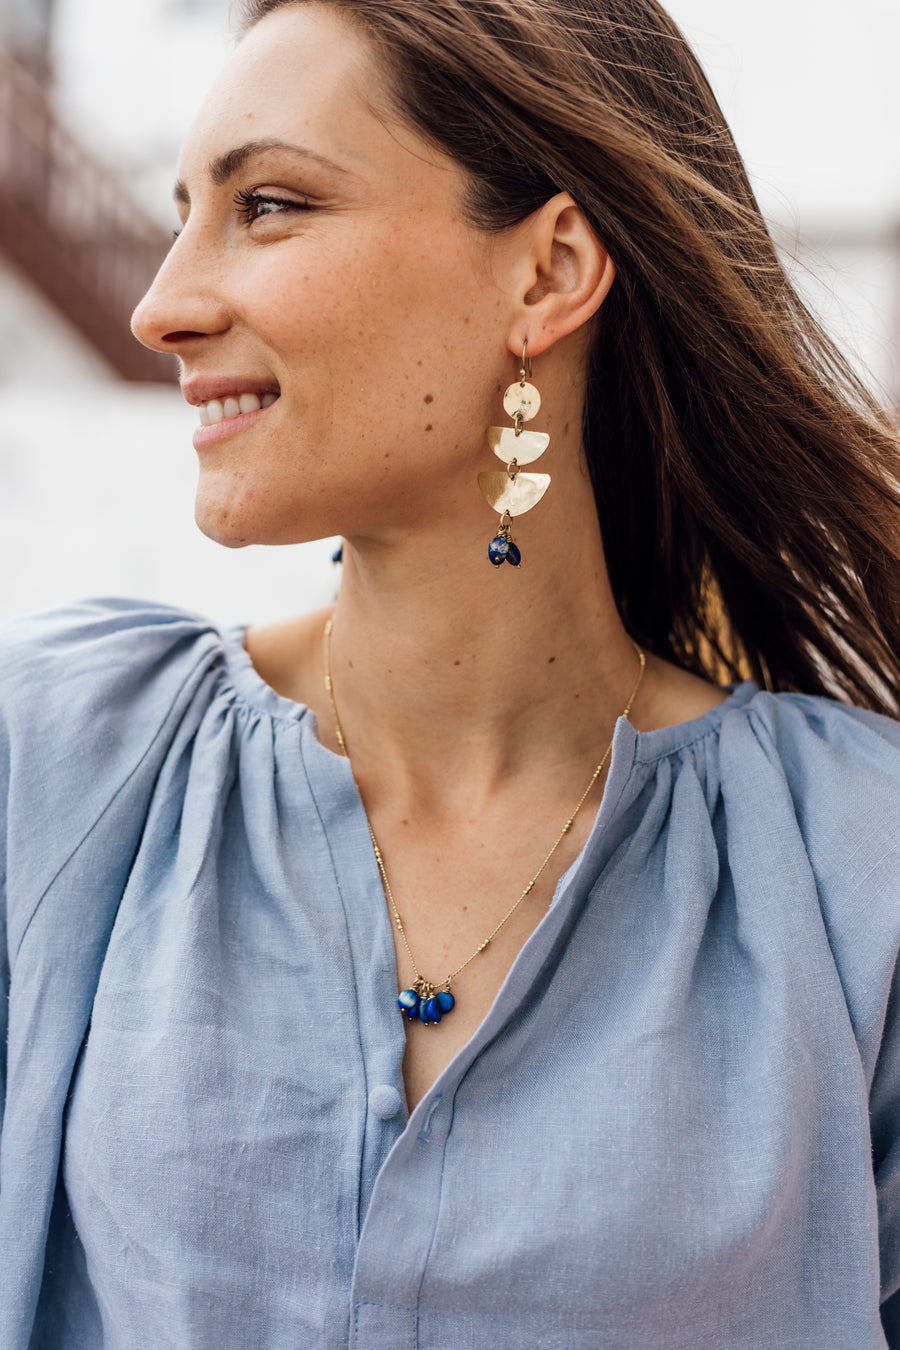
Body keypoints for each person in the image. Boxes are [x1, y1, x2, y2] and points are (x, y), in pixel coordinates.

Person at [3, 0, 900, 1345]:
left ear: (547, 274)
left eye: (268, 206)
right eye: (185, 213)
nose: (162, 304)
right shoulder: (61, 761)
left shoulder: (858, 874)